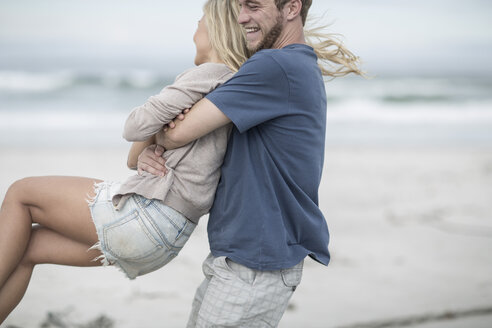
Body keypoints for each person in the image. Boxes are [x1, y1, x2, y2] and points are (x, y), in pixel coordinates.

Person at [0, 0, 250, 323]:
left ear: (217, 28)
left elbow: (134, 125)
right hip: (167, 239)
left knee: (21, 194)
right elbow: (134, 157)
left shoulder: (206, 75)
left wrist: (157, 123)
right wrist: (159, 134)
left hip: (147, 216)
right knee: (28, 248)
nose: (196, 25)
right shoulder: (230, 84)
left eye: (201, 18)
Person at [136, 0, 363, 326]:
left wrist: (165, 130)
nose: (242, 17)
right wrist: (153, 145)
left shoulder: (275, 66)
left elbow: (175, 135)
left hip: (254, 266)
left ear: (292, 8)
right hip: (244, 258)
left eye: (254, 6)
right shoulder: (293, 65)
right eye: (241, 7)